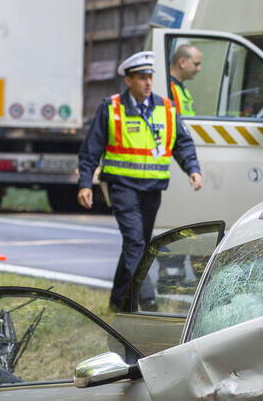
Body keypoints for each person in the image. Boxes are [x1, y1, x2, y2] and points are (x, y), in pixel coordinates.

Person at [78, 51, 203, 311]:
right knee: (135, 242)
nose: (147, 82)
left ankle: (117, 299)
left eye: (150, 77)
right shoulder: (111, 108)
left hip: (152, 189)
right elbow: (91, 149)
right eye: (141, 78)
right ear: (128, 81)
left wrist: (192, 169)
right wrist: (84, 183)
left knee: (140, 244)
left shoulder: (166, 109)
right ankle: (144, 301)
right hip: (122, 186)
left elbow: (182, 142)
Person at [169, 43, 202, 116]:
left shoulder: (181, 89)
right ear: (182, 63)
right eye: (196, 64)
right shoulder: (168, 89)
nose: (199, 69)